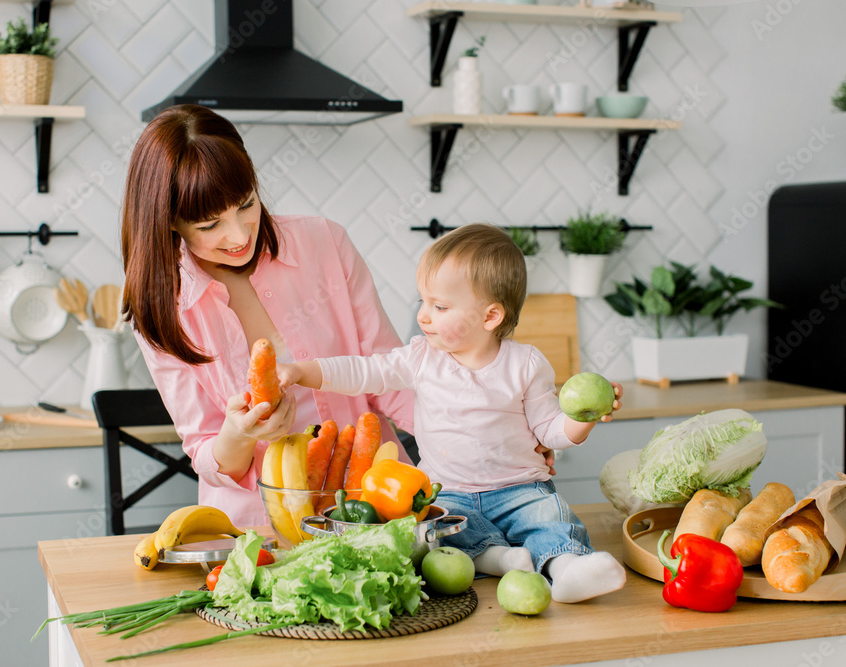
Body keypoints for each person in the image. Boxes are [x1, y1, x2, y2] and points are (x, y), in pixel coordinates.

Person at [277, 223, 627, 603]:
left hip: (521, 489)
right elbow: (365, 371)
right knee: (441, 530)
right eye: (422, 302)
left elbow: (551, 432)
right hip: (449, 490)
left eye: (440, 307)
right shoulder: (422, 357)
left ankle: (568, 569)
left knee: (550, 518)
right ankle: (501, 559)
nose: (424, 316)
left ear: (490, 316)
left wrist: (584, 417)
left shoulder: (526, 364)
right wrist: (302, 371)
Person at [120, 105, 414, 529]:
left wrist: (479, 433)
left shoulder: (324, 242)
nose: (239, 235)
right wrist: (241, 434)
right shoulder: (162, 307)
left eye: (246, 204)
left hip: (372, 505)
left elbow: (391, 375)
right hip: (258, 531)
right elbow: (205, 450)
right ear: (169, 223)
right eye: (209, 225)